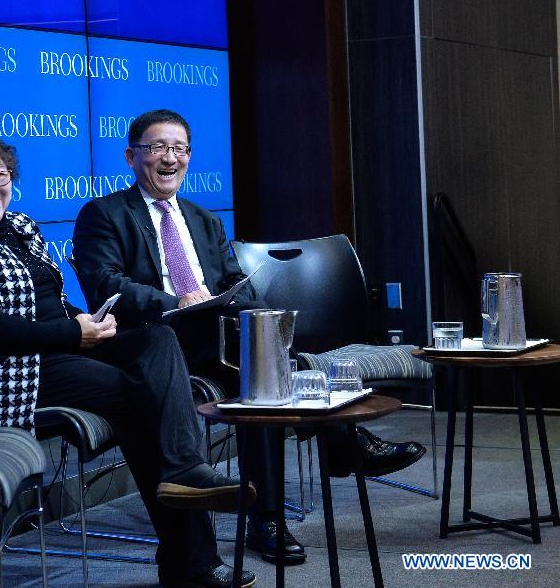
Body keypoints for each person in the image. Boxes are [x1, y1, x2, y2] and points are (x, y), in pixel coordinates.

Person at [72, 109, 426, 567]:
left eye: (180, 149)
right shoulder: (104, 213)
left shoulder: (204, 219)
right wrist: (173, 299)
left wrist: (234, 302)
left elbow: (237, 278)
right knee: (260, 364)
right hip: (153, 341)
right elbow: (106, 284)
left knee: (260, 355)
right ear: (131, 156)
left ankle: (270, 519)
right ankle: (342, 443)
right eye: (158, 147)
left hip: (213, 334)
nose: (170, 158)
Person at [0, 131, 258, 588]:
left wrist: (91, 323)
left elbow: (53, 303)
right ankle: (191, 555)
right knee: (145, 401)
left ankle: (185, 477)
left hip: (59, 348)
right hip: (11, 369)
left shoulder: (19, 226)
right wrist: (72, 333)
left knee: (155, 337)